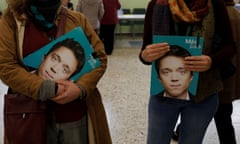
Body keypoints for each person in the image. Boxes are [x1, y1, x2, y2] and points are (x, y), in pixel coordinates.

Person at [0, 0, 111, 144]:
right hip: (29, 117)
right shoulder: (12, 20)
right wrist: (46, 88)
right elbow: (6, 66)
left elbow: (99, 58)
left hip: (74, 116)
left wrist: (80, 88)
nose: (54, 68)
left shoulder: (77, 19)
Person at [139, 0, 235, 144]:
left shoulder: (214, 4)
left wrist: (211, 60)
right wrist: (145, 55)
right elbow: (146, 48)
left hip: (203, 93)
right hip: (163, 95)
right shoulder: (157, 4)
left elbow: (230, 46)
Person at [213, 0, 240, 144]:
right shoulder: (236, 13)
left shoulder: (218, 15)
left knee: (221, 117)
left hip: (219, 75)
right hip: (232, 72)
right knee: (224, 116)